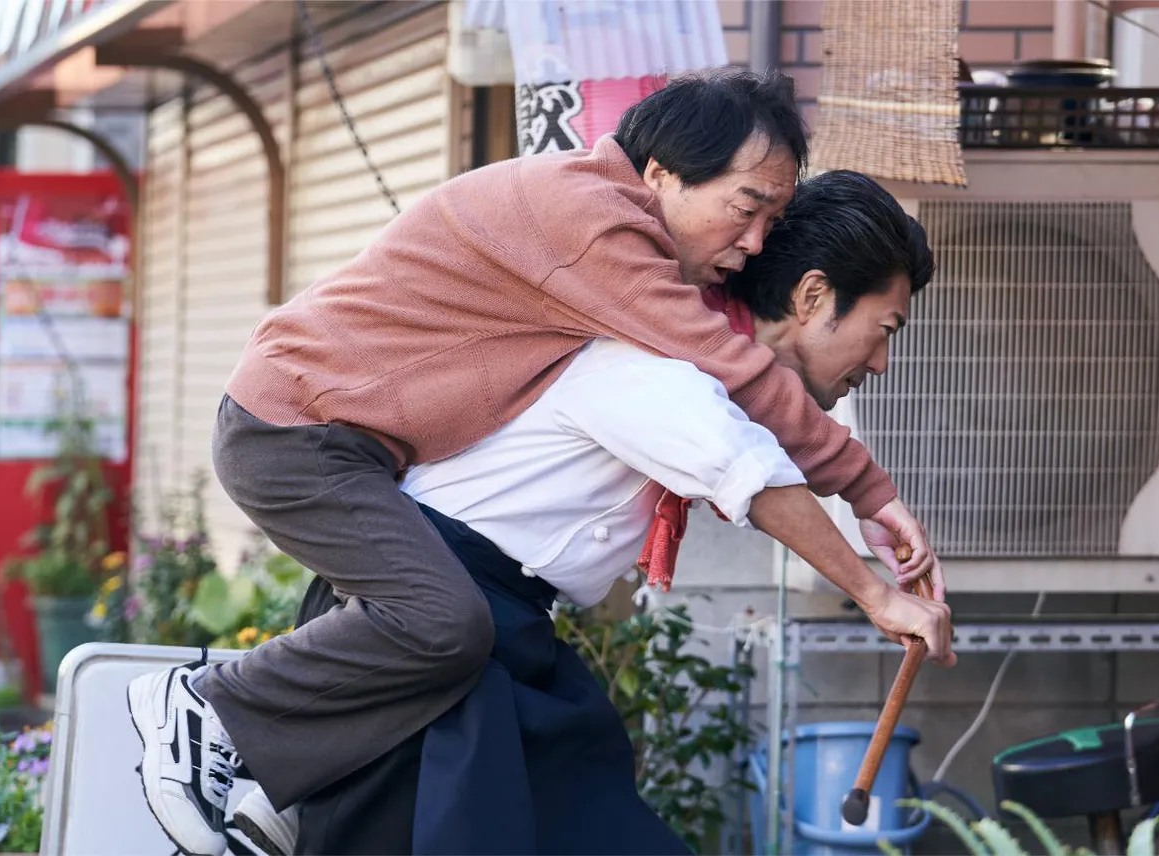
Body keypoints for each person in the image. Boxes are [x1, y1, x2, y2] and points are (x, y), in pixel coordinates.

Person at [125, 69, 949, 856]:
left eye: (769, 220)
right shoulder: (629, 295)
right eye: (884, 332)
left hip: (452, 578)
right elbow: (745, 454)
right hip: (327, 460)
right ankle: (211, 713)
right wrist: (873, 559)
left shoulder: (638, 293)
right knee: (457, 665)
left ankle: (265, 781)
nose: (752, 238)